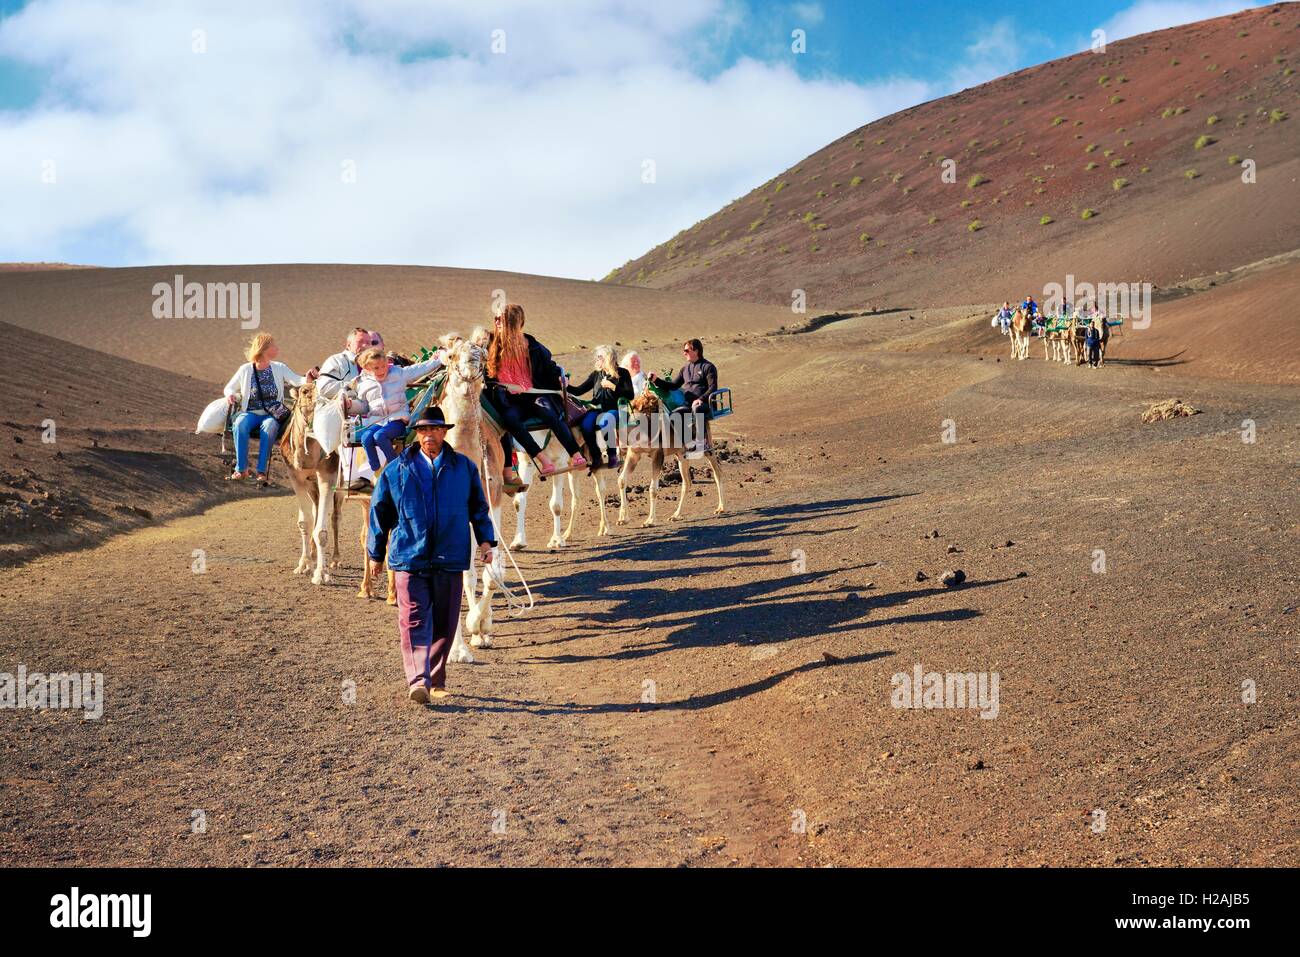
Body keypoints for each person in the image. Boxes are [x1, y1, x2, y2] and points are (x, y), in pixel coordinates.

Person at [366, 407, 496, 704]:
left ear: (444, 432)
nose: (428, 435)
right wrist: (375, 553)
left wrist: (486, 542)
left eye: (434, 430)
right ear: (417, 434)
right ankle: (418, 680)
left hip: (450, 555)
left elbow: (478, 507)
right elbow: (380, 511)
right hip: (409, 556)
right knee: (412, 619)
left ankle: (436, 681)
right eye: (423, 430)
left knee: (445, 622)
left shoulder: (463, 467)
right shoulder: (396, 469)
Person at [485, 303, 587, 479]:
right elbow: (481, 366)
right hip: (510, 400)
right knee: (509, 419)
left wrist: (559, 378)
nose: (496, 322)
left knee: (549, 413)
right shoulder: (492, 345)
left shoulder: (532, 346)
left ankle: (576, 454)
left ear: (513, 321)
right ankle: (543, 459)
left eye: (500, 318)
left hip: (534, 394)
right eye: (495, 318)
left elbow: (550, 367)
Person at [222, 333, 306, 484]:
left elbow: (297, 380)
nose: (277, 349)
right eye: (274, 346)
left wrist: (311, 378)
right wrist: (230, 395)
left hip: (271, 415)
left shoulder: (279, 368)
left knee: (269, 427)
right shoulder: (245, 370)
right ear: (265, 348)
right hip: (250, 412)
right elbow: (229, 387)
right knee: (240, 424)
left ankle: (261, 471)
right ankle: (241, 469)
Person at [353, 345, 444, 481]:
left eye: (384, 366)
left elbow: (418, 370)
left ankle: (397, 465)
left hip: (397, 419)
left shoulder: (397, 374)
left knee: (380, 436)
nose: (382, 370)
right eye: (376, 368)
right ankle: (374, 465)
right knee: (366, 438)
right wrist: (350, 405)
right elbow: (362, 405)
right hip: (377, 420)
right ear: (367, 369)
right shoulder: (363, 383)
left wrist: (439, 360)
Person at [568, 344, 633, 471]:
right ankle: (596, 456)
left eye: (599, 357)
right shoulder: (596, 374)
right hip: (596, 408)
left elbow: (630, 394)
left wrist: (613, 386)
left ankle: (612, 455)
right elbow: (579, 390)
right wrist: (565, 385)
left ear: (607, 358)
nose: (597, 360)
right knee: (586, 425)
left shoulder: (623, 373)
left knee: (605, 421)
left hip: (615, 409)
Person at [648, 338, 717, 455]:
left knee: (697, 408)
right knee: (674, 415)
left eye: (686, 350)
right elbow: (673, 385)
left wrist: (700, 399)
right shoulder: (685, 369)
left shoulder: (708, 367)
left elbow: (713, 387)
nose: (684, 353)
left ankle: (702, 443)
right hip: (688, 404)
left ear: (696, 351)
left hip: (705, 404)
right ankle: (689, 443)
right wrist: (656, 380)